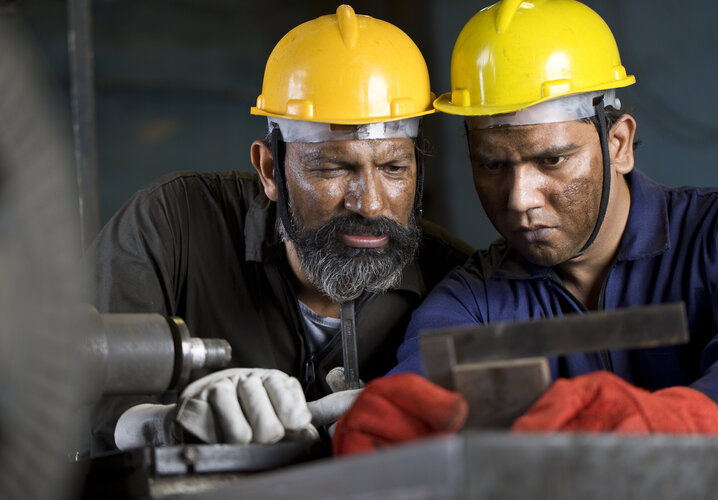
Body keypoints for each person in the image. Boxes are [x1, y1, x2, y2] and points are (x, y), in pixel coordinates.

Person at [333, 0, 718, 454]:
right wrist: (394, 436)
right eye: (491, 164)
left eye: (551, 160)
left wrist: (689, 419)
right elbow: (420, 405)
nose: (519, 199)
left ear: (618, 144)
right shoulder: (473, 304)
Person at [86, 5, 471, 451]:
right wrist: (165, 425)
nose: (369, 203)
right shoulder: (171, 226)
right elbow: (67, 395)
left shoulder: (454, 282)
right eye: (332, 168)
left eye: (394, 168)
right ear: (270, 170)